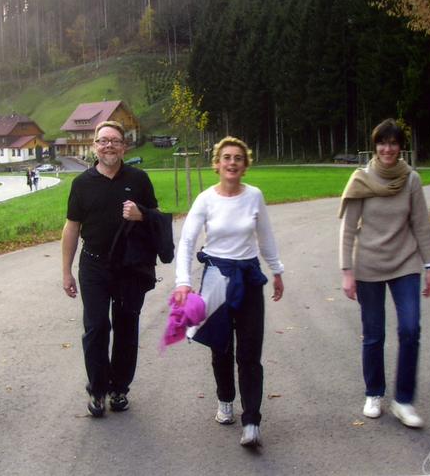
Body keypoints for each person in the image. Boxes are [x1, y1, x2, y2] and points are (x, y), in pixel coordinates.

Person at [173, 136, 284, 447]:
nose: (232, 162)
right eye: (226, 158)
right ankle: (225, 400)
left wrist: (277, 271)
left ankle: (251, 421)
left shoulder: (255, 197)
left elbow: (266, 238)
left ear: (245, 165)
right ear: (217, 164)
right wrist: (183, 281)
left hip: (248, 277)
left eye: (238, 158)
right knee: (221, 347)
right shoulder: (206, 199)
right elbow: (186, 242)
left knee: (250, 351)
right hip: (216, 280)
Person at [339, 118, 430, 429]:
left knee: (410, 329)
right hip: (368, 265)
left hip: (405, 263)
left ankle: (404, 401)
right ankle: (374, 393)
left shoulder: (411, 181)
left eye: (393, 143)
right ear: (375, 145)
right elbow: (348, 229)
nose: (387, 149)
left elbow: (421, 225)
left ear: (400, 147)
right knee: (374, 334)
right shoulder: (361, 179)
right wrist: (347, 271)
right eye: (382, 142)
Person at [61, 120, 160, 417]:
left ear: (124, 146)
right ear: (94, 146)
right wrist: (66, 270)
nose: (109, 146)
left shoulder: (139, 180)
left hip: (129, 265)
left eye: (115, 141)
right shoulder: (81, 184)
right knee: (96, 327)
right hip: (93, 265)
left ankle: (119, 388)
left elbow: (156, 217)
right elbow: (71, 227)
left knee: (127, 326)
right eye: (103, 140)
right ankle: (98, 389)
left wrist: (140, 213)